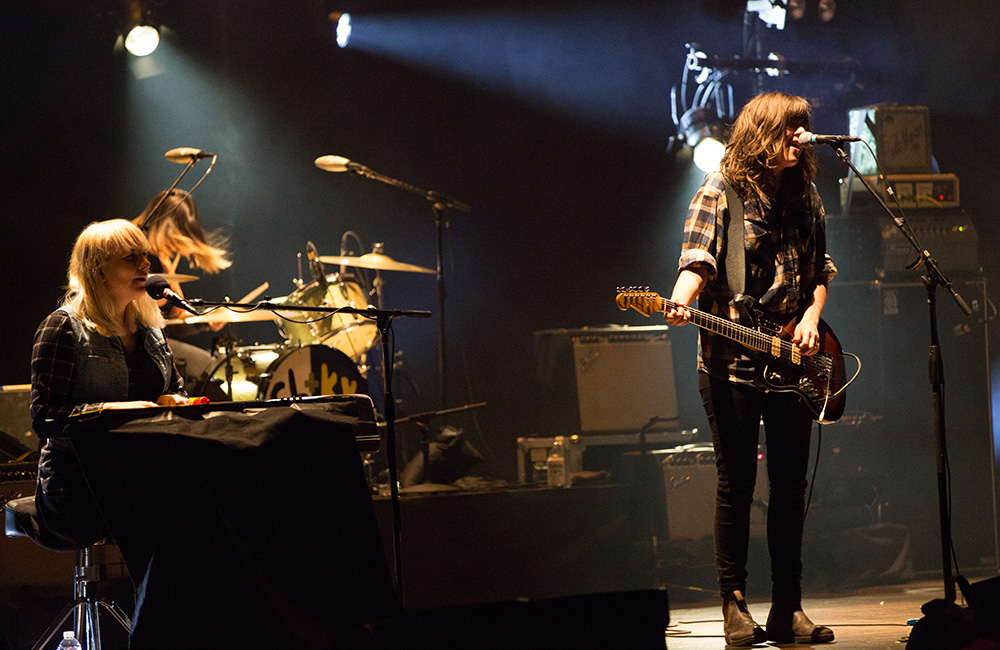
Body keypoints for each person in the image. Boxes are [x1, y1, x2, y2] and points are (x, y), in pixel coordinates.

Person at [664, 92, 838, 646]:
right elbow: (696, 262)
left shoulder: (806, 195)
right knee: (735, 486)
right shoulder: (720, 193)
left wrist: (812, 317)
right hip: (729, 363)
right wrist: (676, 299)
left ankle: (789, 608)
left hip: (792, 360)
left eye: (804, 128)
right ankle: (734, 605)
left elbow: (819, 272)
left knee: (789, 488)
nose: (800, 137)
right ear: (763, 131)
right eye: (790, 129)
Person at [31, 219, 188, 548]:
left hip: (142, 472)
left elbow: (176, 389)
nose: (146, 264)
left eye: (145, 256)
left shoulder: (150, 328)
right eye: (131, 257)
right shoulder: (61, 327)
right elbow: (46, 420)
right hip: (78, 482)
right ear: (98, 270)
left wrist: (173, 400)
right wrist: (111, 412)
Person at [133, 188, 232, 384]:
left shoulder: (164, 260)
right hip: (135, 344)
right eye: (174, 239)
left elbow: (174, 322)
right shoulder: (143, 259)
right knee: (209, 368)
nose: (175, 248)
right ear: (165, 228)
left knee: (210, 366)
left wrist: (206, 320)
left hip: (153, 340)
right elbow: (154, 322)